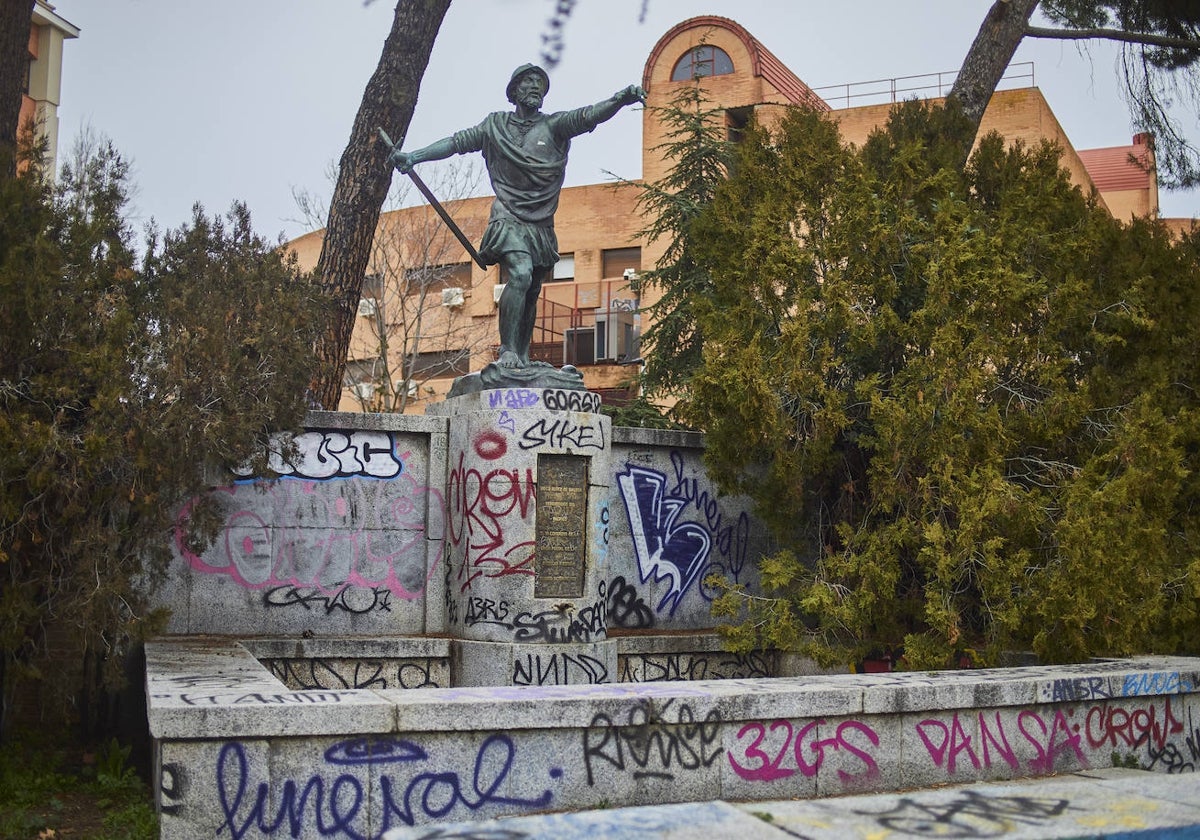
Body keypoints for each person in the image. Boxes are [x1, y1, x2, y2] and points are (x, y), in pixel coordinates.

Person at [389, 64, 645, 369]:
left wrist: (619, 99)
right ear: (514, 91)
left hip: (540, 219)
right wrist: (414, 156)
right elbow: (456, 143)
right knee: (521, 273)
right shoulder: (494, 126)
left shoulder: (553, 126)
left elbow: (589, 115)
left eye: (540, 83)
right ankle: (508, 350)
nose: (535, 87)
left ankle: (522, 355)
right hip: (508, 213)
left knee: (532, 289)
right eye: (528, 82)